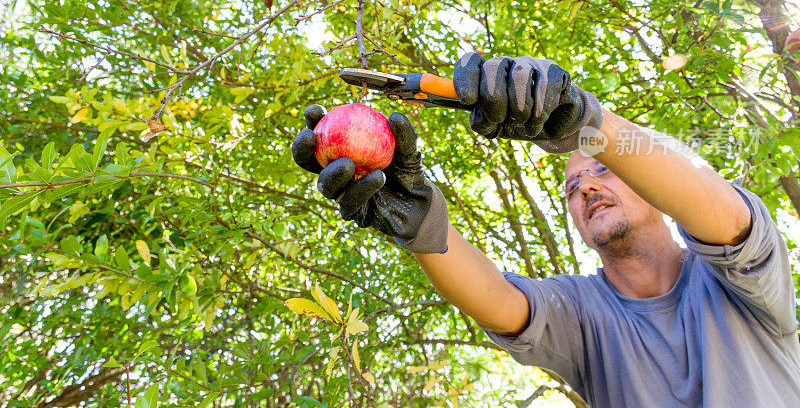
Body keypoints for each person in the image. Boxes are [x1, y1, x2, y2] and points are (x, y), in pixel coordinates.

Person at [291, 52, 800, 407]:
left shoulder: (743, 282)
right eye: (572, 185)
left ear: (651, 186)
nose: (584, 187)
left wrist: (587, 124)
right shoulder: (582, 313)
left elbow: (722, 215)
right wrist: (420, 223)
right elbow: (497, 301)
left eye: (602, 169)